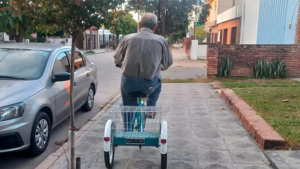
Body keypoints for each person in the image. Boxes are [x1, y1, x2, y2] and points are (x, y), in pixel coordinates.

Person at [114, 13, 173, 131]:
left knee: (127, 104)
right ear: (155, 27)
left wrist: (123, 64)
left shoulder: (128, 38)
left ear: (139, 24)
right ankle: (150, 109)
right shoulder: (161, 40)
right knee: (158, 81)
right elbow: (167, 63)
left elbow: (117, 59)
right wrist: (157, 67)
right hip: (149, 85)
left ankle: (127, 129)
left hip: (128, 84)